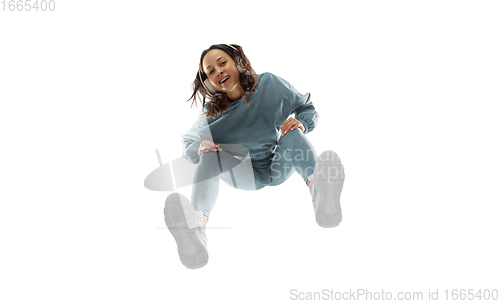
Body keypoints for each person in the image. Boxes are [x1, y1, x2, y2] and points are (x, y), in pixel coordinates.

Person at [164, 44, 345, 269]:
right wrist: (198, 149)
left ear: (237, 62)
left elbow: (305, 106)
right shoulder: (211, 115)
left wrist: (302, 123)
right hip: (244, 172)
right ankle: (197, 224)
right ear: (208, 82)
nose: (218, 71)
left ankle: (318, 188)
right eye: (210, 71)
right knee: (210, 153)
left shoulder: (269, 86)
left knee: (292, 132)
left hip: (276, 166)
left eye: (222, 63)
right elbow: (188, 142)